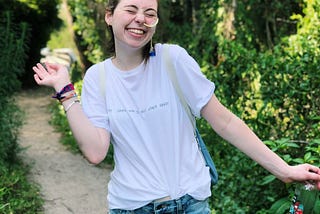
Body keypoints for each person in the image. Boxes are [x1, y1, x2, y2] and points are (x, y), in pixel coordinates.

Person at [32, 0, 320, 213]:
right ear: (109, 16)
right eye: (131, 10)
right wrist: (65, 91)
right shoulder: (98, 77)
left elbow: (225, 122)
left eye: (150, 14)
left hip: (191, 204)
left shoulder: (173, 60)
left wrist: (284, 169)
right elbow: (95, 151)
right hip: (132, 207)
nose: (140, 20)